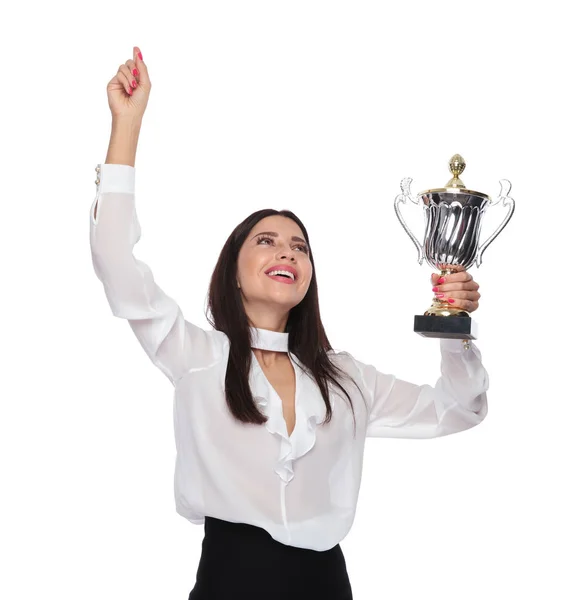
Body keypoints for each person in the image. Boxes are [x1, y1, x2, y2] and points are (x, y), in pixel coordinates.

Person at [90, 46, 488, 600]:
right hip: (231, 582)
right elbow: (115, 262)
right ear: (232, 270)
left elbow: (460, 409)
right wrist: (127, 126)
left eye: (300, 246)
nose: (288, 253)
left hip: (326, 585)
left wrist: (456, 328)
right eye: (267, 241)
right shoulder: (197, 356)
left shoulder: (347, 379)